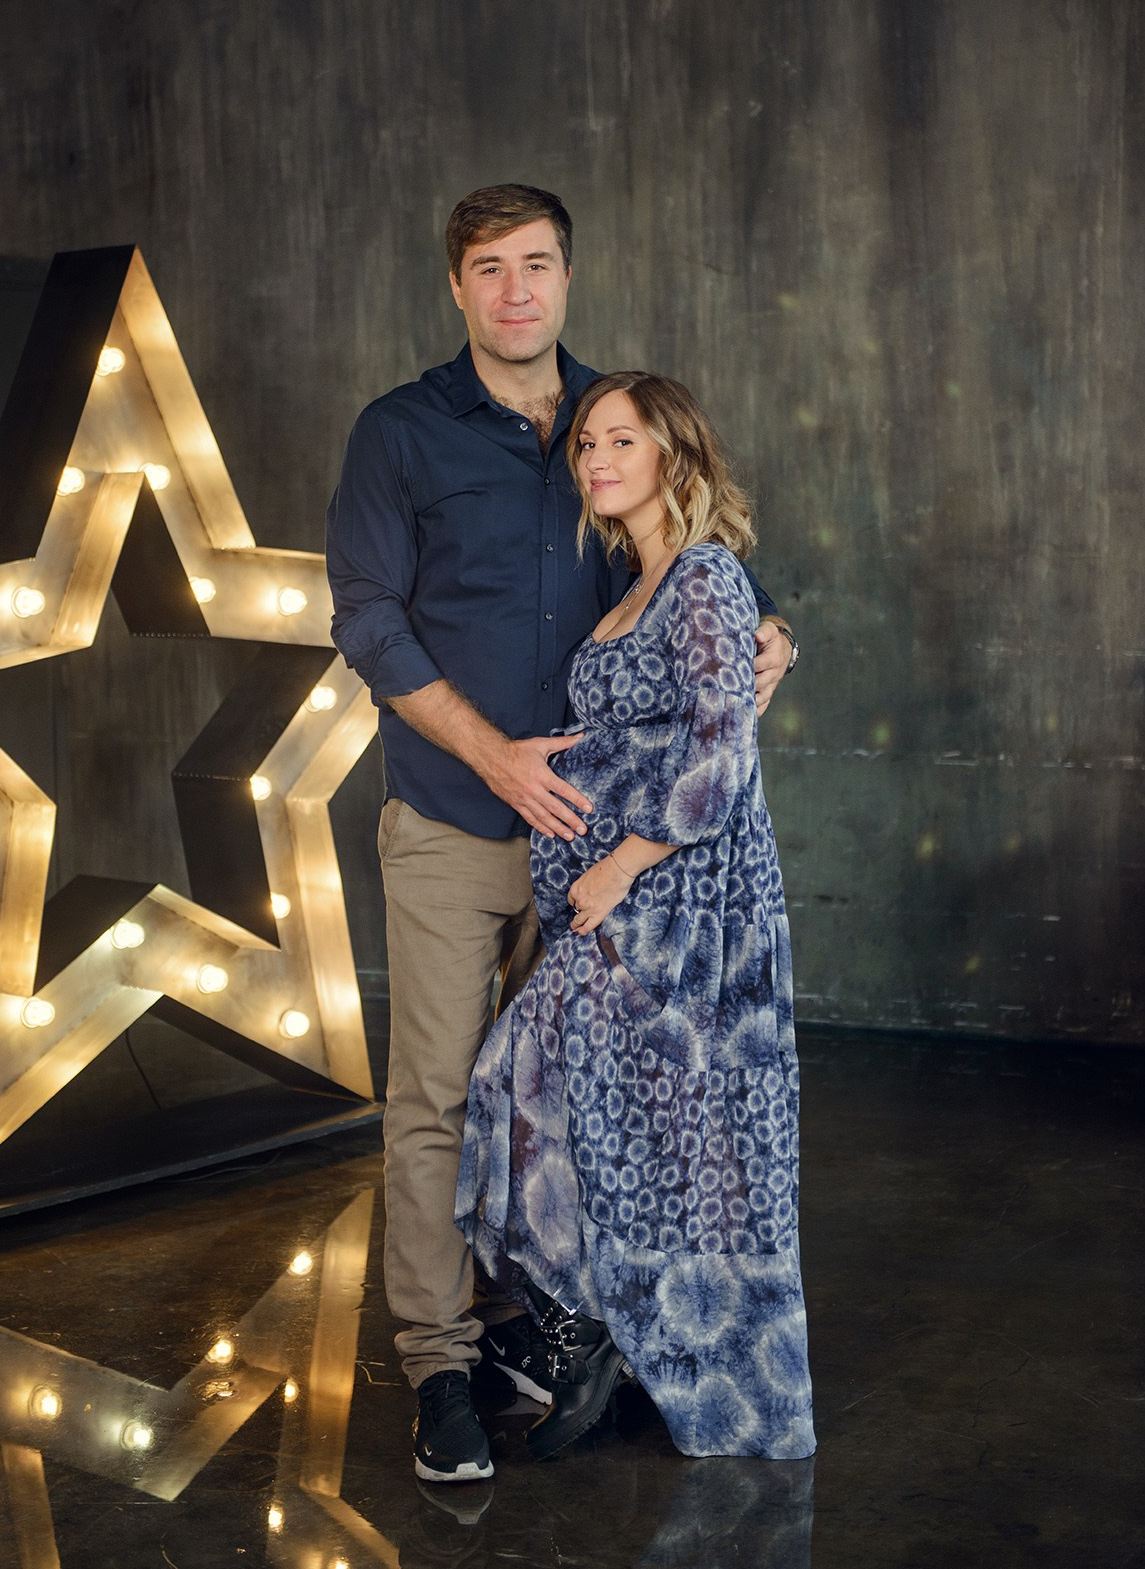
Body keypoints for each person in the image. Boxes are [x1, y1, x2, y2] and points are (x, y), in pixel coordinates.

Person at [326, 185, 799, 1482]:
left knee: (594, 1107)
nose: (516, 291)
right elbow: (366, 619)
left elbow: (702, 577)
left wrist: (773, 634)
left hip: (604, 857)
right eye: (490, 269)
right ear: (459, 287)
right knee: (436, 1100)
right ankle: (439, 1361)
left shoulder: (614, 424)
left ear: (566, 279)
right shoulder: (401, 434)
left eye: (537, 265)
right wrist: (492, 755)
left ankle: (568, 1331)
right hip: (453, 820)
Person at [455, 372, 816, 1463]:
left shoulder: (702, 575)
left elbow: (721, 748)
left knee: (657, 1131)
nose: (598, 459)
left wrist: (618, 865)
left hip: (677, 907)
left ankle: (621, 1339)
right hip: (619, 907)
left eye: (622, 441)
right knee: (551, 1098)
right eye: (587, 445)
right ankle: (595, 1321)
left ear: (674, 456)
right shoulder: (634, 580)